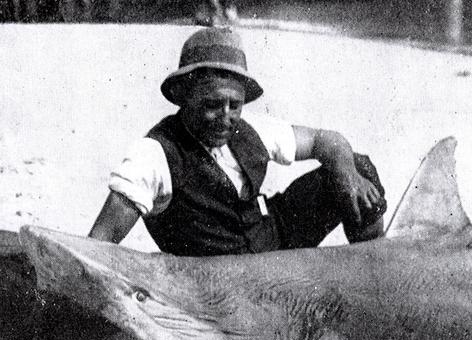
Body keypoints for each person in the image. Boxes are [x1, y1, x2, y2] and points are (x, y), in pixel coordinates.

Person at [89, 27, 386, 256]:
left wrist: (348, 175)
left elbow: (326, 140)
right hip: (216, 282)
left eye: (235, 104)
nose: (226, 116)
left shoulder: (250, 128)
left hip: (272, 242)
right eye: (212, 104)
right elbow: (98, 245)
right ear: (183, 96)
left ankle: (373, 270)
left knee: (358, 167)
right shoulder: (153, 155)